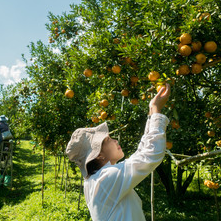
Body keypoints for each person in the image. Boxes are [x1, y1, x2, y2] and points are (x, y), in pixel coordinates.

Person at [65, 83, 171, 221]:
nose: (115, 141)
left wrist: (151, 115)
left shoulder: (96, 180)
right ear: (99, 155)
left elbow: (141, 153)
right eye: (108, 140)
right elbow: (150, 155)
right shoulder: (106, 179)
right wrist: (156, 109)